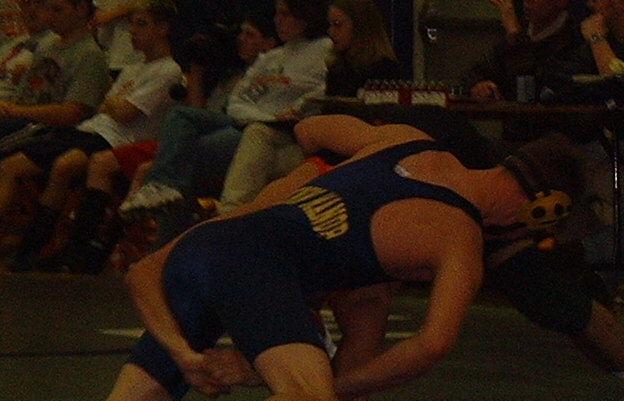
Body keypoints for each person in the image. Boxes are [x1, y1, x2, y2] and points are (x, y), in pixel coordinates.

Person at [0, 114, 624, 401]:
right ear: (540, 207)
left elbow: (309, 127)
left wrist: (308, 182)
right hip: (256, 264)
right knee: (311, 396)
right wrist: (326, 385)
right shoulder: (458, 238)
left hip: (208, 249)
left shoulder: (401, 137)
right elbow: (432, 345)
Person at [28, 9, 279, 274]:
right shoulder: (226, 78)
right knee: (53, 159)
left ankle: (97, 250)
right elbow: (198, 115)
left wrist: (113, 104)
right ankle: (58, 250)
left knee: (123, 166)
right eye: (241, 34)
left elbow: (125, 112)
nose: (240, 40)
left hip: (145, 139)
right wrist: (196, 70)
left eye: (249, 35)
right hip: (174, 138)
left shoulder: (176, 71)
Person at [117, 0, 331, 241]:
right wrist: (258, 116)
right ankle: (161, 190)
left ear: (305, 16)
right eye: (277, 13)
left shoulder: (323, 51)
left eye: (285, 14)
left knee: (183, 158)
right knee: (180, 116)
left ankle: (170, 238)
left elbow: (319, 94)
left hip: (275, 131)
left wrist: (274, 118)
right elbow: (237, 101)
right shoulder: (272, 57)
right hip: (245, 120)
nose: (277, 20)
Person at [3, 0, 182, 272]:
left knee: (64, 166)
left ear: (163, 29)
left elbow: (124, 113)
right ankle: (32, 248)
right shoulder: (133, 69)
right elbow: (105, 106)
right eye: (132, 24)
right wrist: (113, 104)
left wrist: (113, 103)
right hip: (89, 130)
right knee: (15, 163)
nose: (132, 31)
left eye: (141, 24)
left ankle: (66, 249)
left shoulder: (168, 70)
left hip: (115, 140)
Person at [213, 0, 401, 216]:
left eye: (337, 25)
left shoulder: (382, 69)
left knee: (260, 164)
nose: (331, 32)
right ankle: (230, 214)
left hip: (352, 153)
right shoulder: (337, 67)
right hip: (322, 146)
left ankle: (229, 216)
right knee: (257, 133)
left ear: (360, 26)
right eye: (329, 25)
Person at [542, 0, 624, 303]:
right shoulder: (588, 44)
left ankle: (592, 277)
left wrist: (598, 40)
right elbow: (557, 80)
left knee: (615, 195)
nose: (589, 4)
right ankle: (574, 271)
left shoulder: (599, 39)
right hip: (597, 144)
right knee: (555, 168)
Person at [460, 0, 582, 142]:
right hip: (513, 139)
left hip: (557, 140)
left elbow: (531, 90)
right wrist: (480, 86)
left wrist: (514, 36)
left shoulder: (575, 38)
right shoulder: (521, 33)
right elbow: (473, 74)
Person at [0, 0, 108, 137]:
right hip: (18, 120)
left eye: (57, 10)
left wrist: (15, 111)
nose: (48, 16)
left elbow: (71, 114)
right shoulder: (46, 45)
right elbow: (25, 93)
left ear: (81, 8)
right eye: (46, 9)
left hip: (45, 131)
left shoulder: (90, 55)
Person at [0, 0, 58, 102]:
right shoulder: (16, 42)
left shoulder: (54, 45)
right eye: (26, 3)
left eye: (38, 3)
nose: (32, 10)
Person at [92, 0, 144, 78]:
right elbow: (98, 16)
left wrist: (115, 13)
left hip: (132, 58)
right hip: (107, 54)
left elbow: (142, 5)